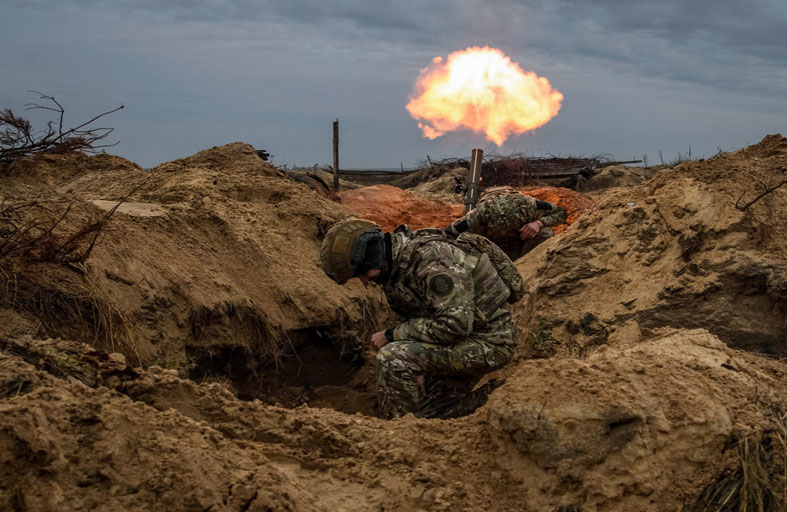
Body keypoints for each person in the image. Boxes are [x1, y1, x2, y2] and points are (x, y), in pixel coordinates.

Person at [320, 218, 519, 419]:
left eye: (361, 273)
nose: (364, 281)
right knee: (427, 411)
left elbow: (455, 325)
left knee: (393, 358)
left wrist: (394, 335)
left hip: (489, 342)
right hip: (459, 340)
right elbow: (421, 313)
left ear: (372, 257)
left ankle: (398, 436)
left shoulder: (433, 262)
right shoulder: (397, 265)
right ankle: (497, 395)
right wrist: (420, 364)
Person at [445, 186, 567, 261]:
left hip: (522, 245)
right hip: (492, 251)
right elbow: (447, 233)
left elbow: (561, 213)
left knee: (545, 233)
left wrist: (539, 223)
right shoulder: (476, 217)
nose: (504, 231)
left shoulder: (529, 206)